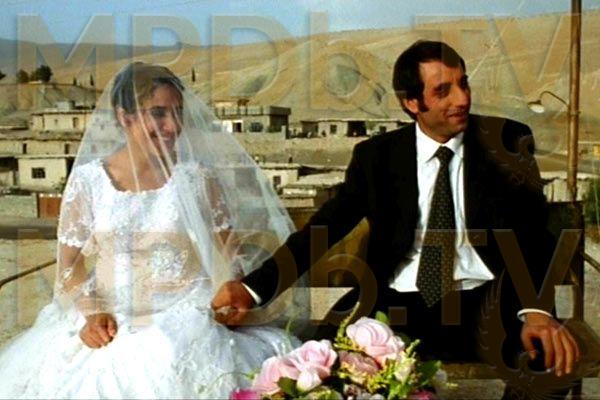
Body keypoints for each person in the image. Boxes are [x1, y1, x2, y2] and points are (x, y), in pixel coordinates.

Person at [212, 40, 581, 398]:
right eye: (443, 91)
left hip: (488, 302)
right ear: (411, 102)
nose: (462, 99)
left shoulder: (506, 142)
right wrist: (252, 289)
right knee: (322, 369)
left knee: (552, 360)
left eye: (464, 83)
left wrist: (536, 311)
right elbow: (323, 230)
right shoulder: (377, 158)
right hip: (397, 306)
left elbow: (533, 232)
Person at [0, 62, 303, 399]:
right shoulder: (88, 181)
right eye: (158, 113)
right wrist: (92, 313)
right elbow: (69, 265)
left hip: (190, 311)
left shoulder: (197, 177)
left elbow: (231, 248)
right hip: (110, 314)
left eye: (178, 113)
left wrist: (232, 287)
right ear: (124, 117)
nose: (172, 126)